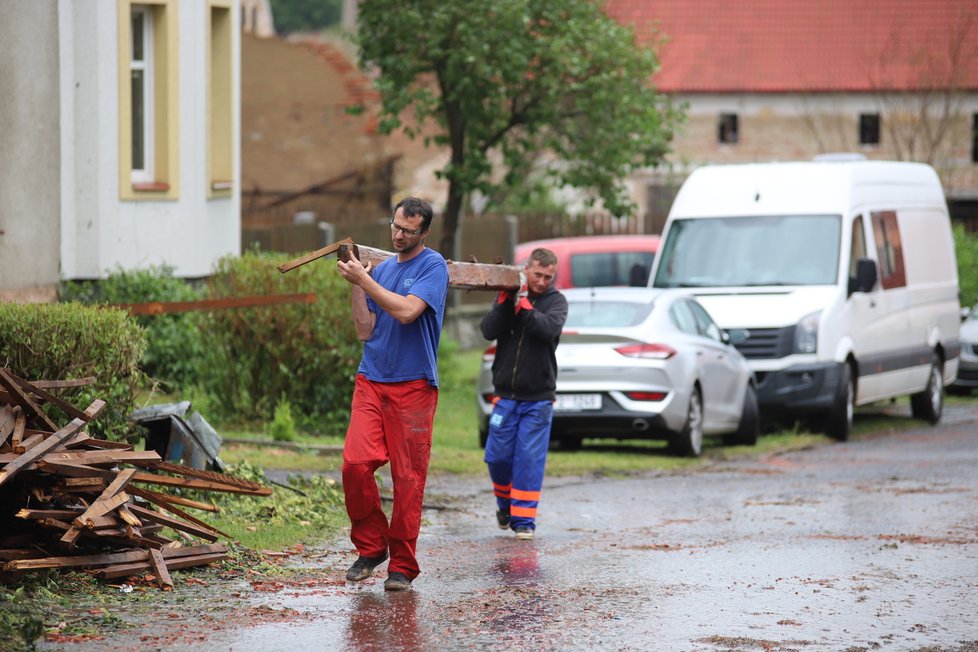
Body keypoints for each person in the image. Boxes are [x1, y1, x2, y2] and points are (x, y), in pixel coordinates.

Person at [336, 196, 449, 591]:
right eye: (396, 226)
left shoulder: (433, 266)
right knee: (354, 464)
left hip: (414, 385)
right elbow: (365, 330)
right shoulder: (380, 271)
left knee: (408, 479)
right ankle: (371, 547)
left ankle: (402, 565)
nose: (399, 235)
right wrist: (357, 284)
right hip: (371, 378)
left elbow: (406, 312)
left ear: (424, 233)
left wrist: (364, 280)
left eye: (408, 230)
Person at [480, 248, 568, 540]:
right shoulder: (508, 296)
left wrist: (525, 306)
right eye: (538, 274)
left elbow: (547, 329)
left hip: (538, 400)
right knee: (496, 457)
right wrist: (506, 302)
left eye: (548, 277)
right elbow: (487, 330)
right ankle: (505, 507)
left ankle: (524, 523)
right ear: (526, 269)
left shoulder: (557, 302)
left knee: (529, 460)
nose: (542, 281)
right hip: (505, 396)